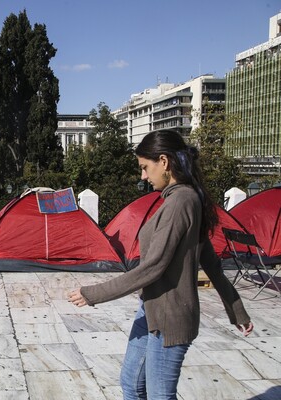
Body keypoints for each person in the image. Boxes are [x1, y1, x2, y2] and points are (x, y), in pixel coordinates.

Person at [67, 130, 254, 400]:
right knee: (132, 385)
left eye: (145, 167)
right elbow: (212, 263)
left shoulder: (181, 202)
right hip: (151, 310)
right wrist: (238, 312)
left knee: (159, 395)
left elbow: (153, 266)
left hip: (170, 316)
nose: (143, 176)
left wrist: (93, 293)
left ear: (164, 162)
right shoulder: (182, 199)